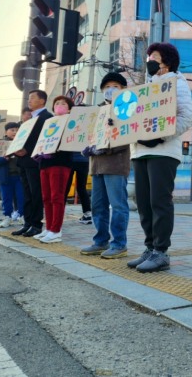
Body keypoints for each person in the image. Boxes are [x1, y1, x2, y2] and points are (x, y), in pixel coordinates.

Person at [128, 42, 192, 273]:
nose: (149, 61)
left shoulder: (177, 83)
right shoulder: (145, 88)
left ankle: (161, 251)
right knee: (144, 203)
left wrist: (160, 137)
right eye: (148, 57)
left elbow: (186, 117)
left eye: (154, 56)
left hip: (163, 151)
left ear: (166, 61)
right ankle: (149, 247)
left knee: (159, 201)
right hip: (140, 151)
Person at [80, 72, 131, 259]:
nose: (110, 90)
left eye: (116, 86)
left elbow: (128, 136)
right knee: (98, 206)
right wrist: (85, 147)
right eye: (107, 86)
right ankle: (100, 241)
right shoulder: (96, 111)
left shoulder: (127, 107)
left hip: (116, 164)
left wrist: (106, 149)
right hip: (96, 165)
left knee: (118, 205)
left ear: (123, 89)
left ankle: (119, 243)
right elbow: (86, 136)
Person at [12, 90, 53, 237]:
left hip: (36, 162)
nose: (29, 101)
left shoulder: (48, 118)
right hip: (23, 161)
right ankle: (27, 223)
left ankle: (36, 224)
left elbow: (45, 139)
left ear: (42, 101)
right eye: (28, 98)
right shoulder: (29, 118)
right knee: (27, 194)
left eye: (32, 98)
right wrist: (16, 149)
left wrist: (27, 150)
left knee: (36, 194)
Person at [33, 95, 74, 243]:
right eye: (57, 103)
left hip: (61, 163)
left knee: (57, 197)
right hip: (45, 163)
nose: (60, 105)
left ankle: (56, 230)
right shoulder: (49, 122)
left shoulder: (71, 122)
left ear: (69, 108)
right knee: (46, 197)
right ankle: (49, 228)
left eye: (64, 104)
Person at [0, 122, 24, 228]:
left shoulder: (22, 142)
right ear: (6, 132)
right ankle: (6, 217)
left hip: (20, 176)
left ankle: (22, 215)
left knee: (21, 197)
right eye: (12, 130)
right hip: (5, 176)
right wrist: (4, 158)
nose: (15, 132)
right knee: (6, 198)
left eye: (17, 130)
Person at [66, 151, 92, 224]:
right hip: (84, 160)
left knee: (65, 188)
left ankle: (59, 214)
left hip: (69, 159)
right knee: (82, 188)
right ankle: (87, 215)